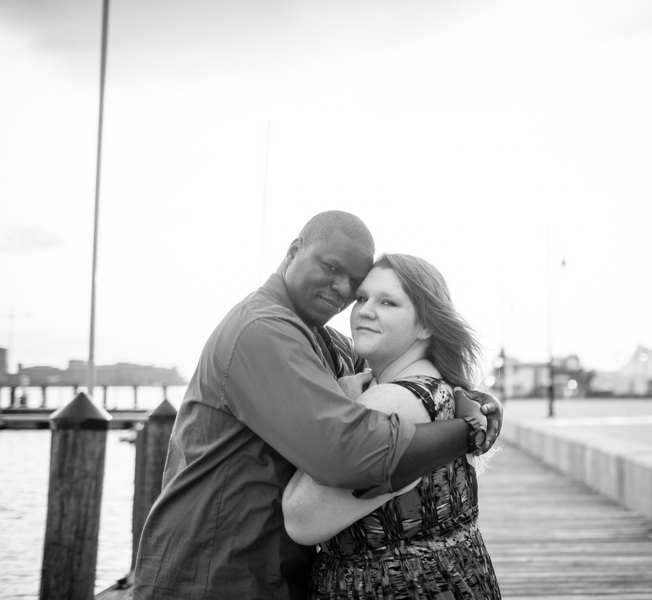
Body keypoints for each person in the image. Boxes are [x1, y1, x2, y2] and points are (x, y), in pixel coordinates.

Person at [134, 211, 502, 600]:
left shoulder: (324, 341)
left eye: (355, 283)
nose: (343, 290)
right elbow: (348, 453)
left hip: (265, 570)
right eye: (331, 267)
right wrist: (468, 433)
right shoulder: (262, 329)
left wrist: (475, 399)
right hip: (210, 573)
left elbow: (394, 377)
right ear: (295, 250)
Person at [282, 253, 502, 599]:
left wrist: (343, 405)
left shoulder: (394, 402)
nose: (365, 310)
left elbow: (300, 518)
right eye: (362, 298)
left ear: (426, 325)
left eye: (388, 302)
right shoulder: (436, 387)